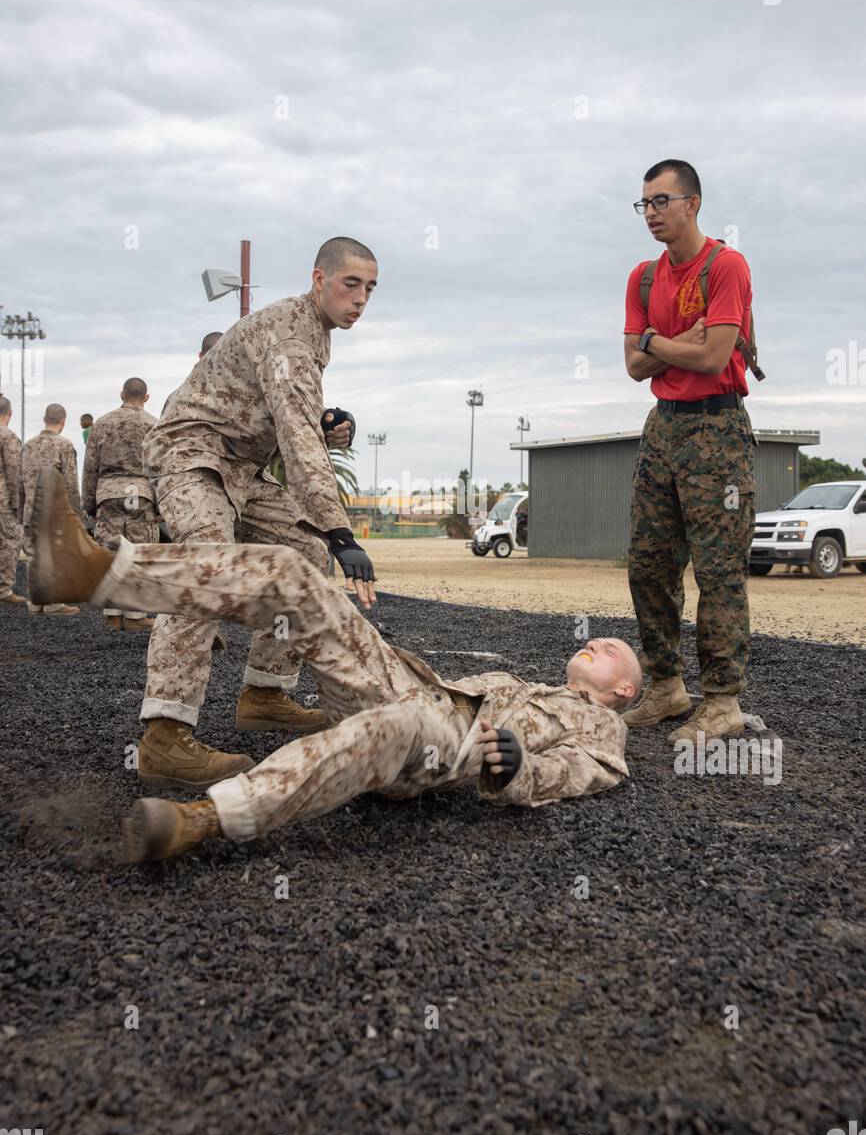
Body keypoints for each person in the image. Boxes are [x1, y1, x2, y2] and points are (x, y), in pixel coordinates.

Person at [29, 467, 641, 864]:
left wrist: (517, 769)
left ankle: (202, 819)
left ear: (624, 688)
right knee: (296, 576)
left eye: (613, 650)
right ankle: (96, 574)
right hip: (401, 684)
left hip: (439, 745)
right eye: (600, 640)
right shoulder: (525, 682)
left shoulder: (603, 728)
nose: (599, 644)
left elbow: (580, 775)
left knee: (395, 728)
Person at [135, 236, 377, 788]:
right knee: (209, 565)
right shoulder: (291, 330)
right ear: (319, 280)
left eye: (369, 289)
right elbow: (295, 437)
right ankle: (164, 737)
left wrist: (326, 421)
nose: (361, 299)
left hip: (242, 468)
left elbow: (288, 416)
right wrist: (341, 530)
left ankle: (265, 691)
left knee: (307, 553)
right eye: (350, 284)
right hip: (194, 451)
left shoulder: (317, 333)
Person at [623, 159, 756, 742]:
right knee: (648, 564)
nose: (652, 213)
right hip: (663, 428)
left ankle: (722, 701)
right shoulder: (643, 279)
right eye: (644, 203)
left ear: (693, 203)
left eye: (662, 201)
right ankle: (666, 687)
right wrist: (671, 340)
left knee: (718, 569)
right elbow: (633, 365)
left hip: (717, 430)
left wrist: (658, 345)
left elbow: (713, 359)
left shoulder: (726, 266)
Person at [82, 377, 159, 631]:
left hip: (109, 493)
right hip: (141, 492)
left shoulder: (102, 424)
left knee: (111, 553)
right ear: (146, 397)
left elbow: (90, 468)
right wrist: (160, 507)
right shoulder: (154, 425)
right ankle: (136, 616)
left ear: (121, 394)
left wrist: (89, 504)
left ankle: (112, 613)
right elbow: (160, 468)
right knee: (140, 553)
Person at [19, 404, 81, 616]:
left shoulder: (27, 446)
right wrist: (77, 515)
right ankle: (54, 604)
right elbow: (71, 484)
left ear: (44, 419)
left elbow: (20, 482)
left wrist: (21, 513)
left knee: (34, 556)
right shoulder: (64, 445)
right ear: (62, 422)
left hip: (30, 511)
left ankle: (36, 604)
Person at [0, 396, 25, 605]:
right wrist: (19, 506)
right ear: (10, 413)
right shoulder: (8, 437)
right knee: (9, 542)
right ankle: (3, 590)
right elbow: (14, 473)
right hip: (3, 502)